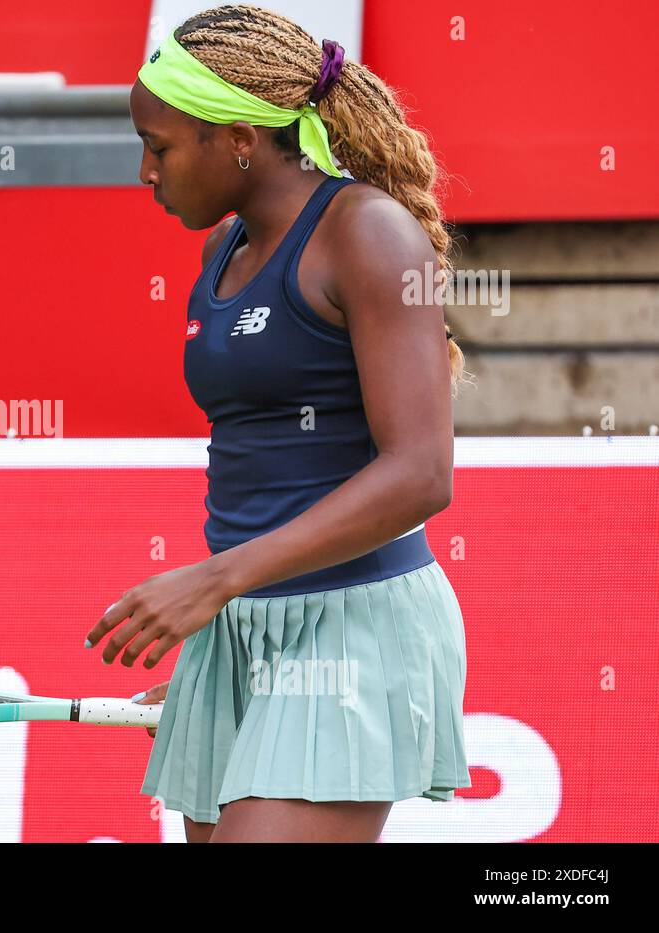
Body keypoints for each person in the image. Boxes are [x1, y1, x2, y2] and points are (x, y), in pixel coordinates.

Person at [86, 5, 471, 842]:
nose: (144, 172)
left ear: (237, 139)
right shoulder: (221, 250)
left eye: (159, 147)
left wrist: (214, 579)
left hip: (353, 627)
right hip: (240, 629)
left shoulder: (368, 232)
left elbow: (421, 473)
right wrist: (226, 629)